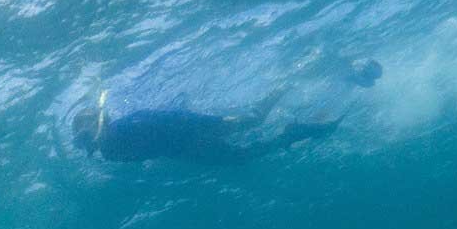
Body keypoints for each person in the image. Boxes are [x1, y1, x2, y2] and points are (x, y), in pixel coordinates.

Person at [72, 86, 339, 165]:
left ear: (102, 123)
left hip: (190, 131)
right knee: (242, 156)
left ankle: (284, 86)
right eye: (82, 137)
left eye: (88, 130)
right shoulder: (108, 153)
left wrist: (208, 125)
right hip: (183, 149)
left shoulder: (131, 124)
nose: (88, 139)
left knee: (254, 122)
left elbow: (169, 119)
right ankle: (290, 134)